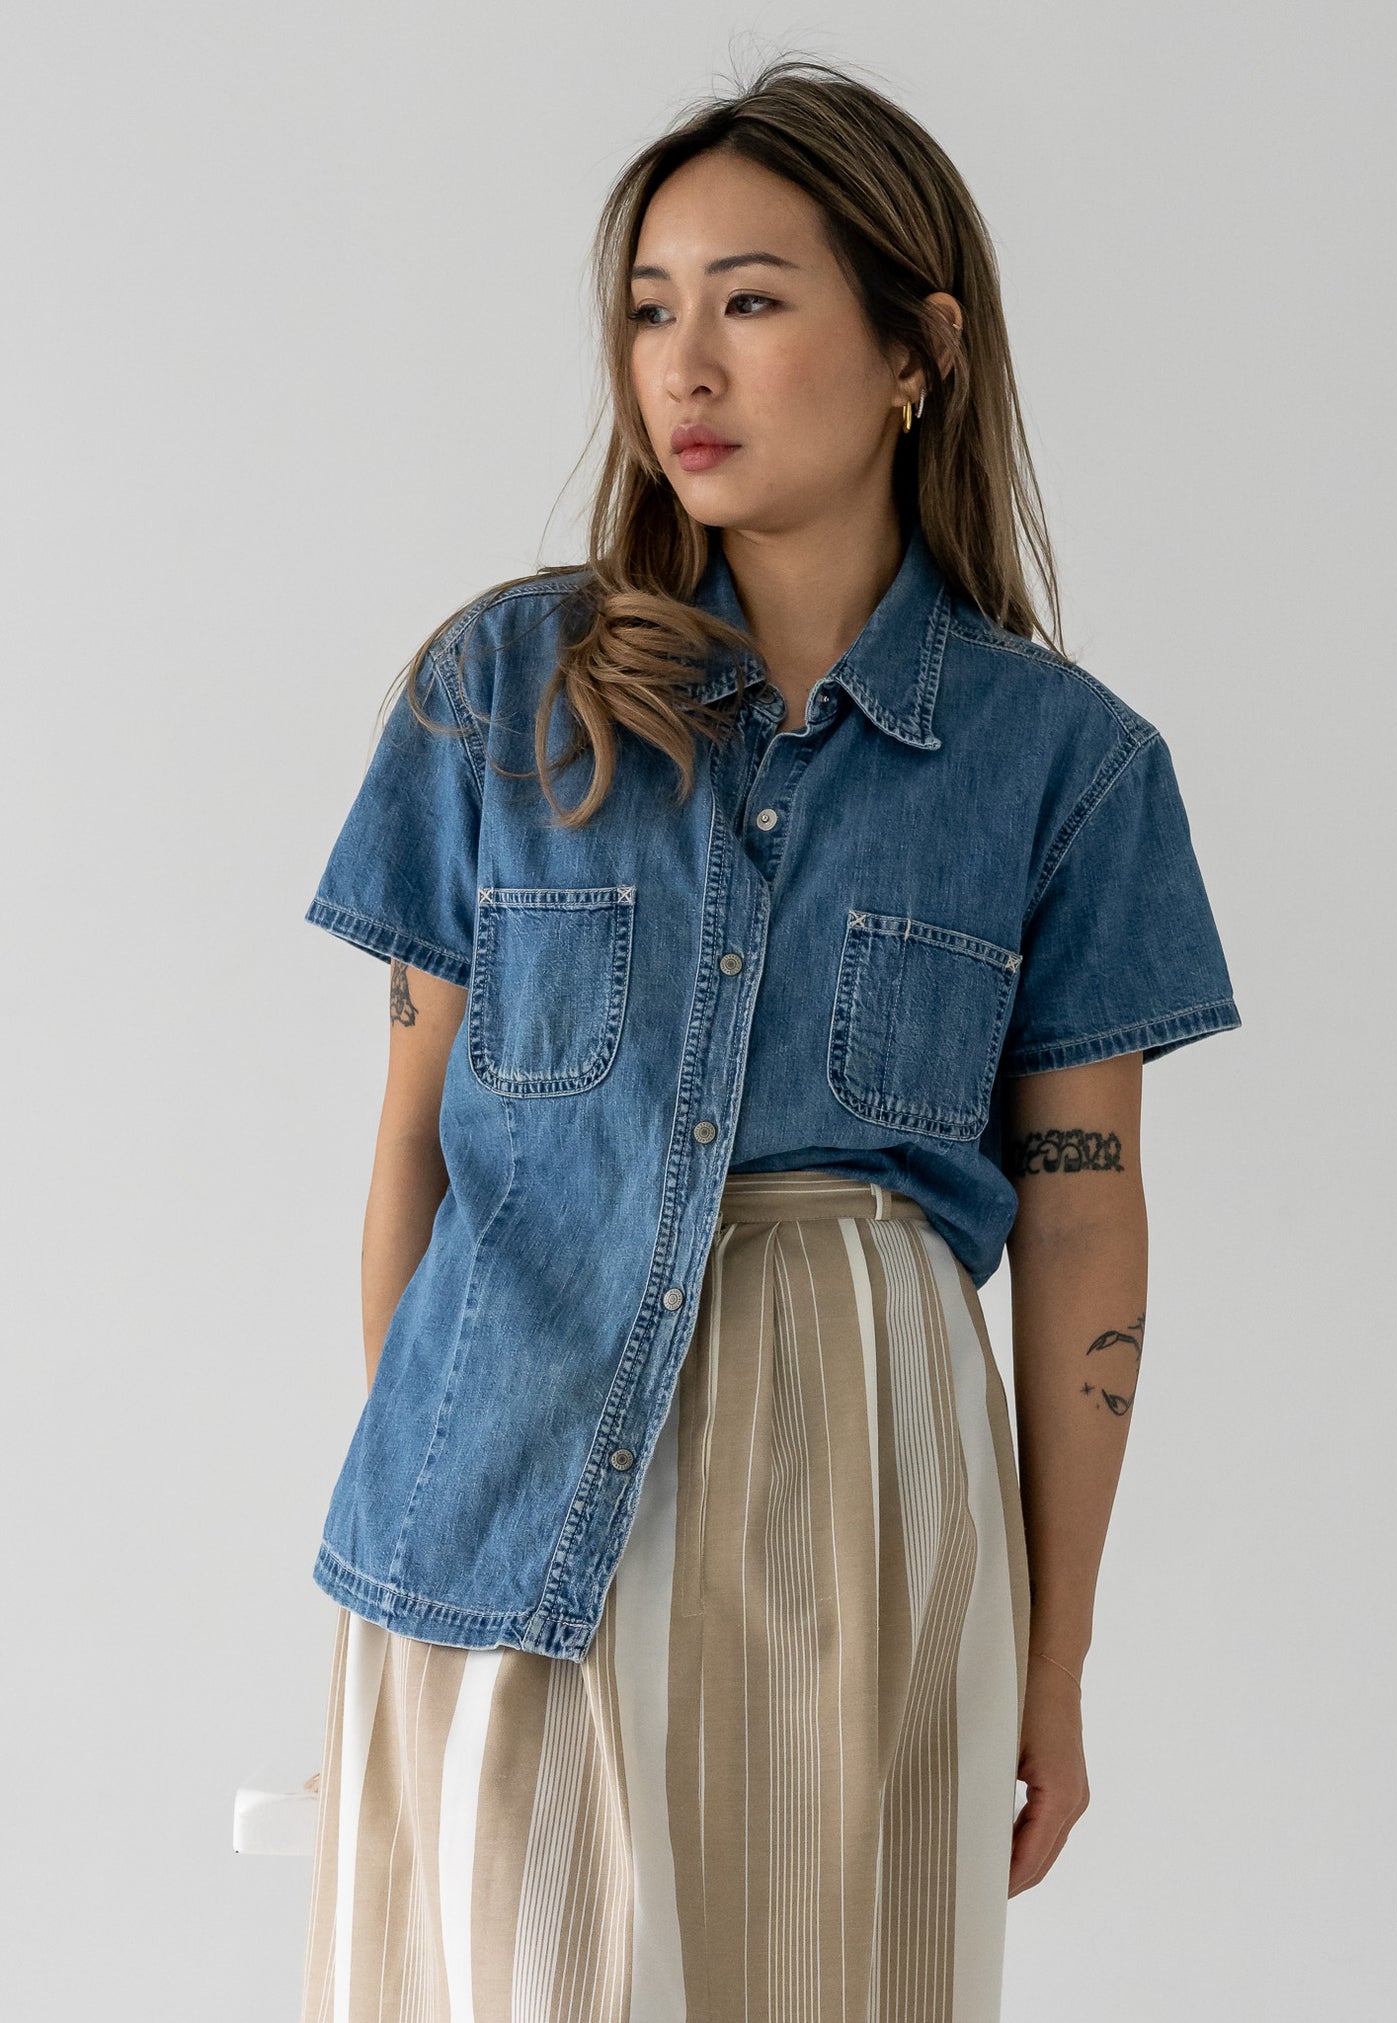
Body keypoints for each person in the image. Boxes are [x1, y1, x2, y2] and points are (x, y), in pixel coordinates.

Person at [296, 55, 1241, 2023]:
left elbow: (1086, 1225)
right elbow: (411, 1151)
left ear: (920, 351)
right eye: (649, 307)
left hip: (861, 1492)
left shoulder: (1063, 767)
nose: (683, 366)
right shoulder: (506, 695)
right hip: (507, 1489)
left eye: (749, 297)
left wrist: (1056, 1660)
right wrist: (448, 1482)